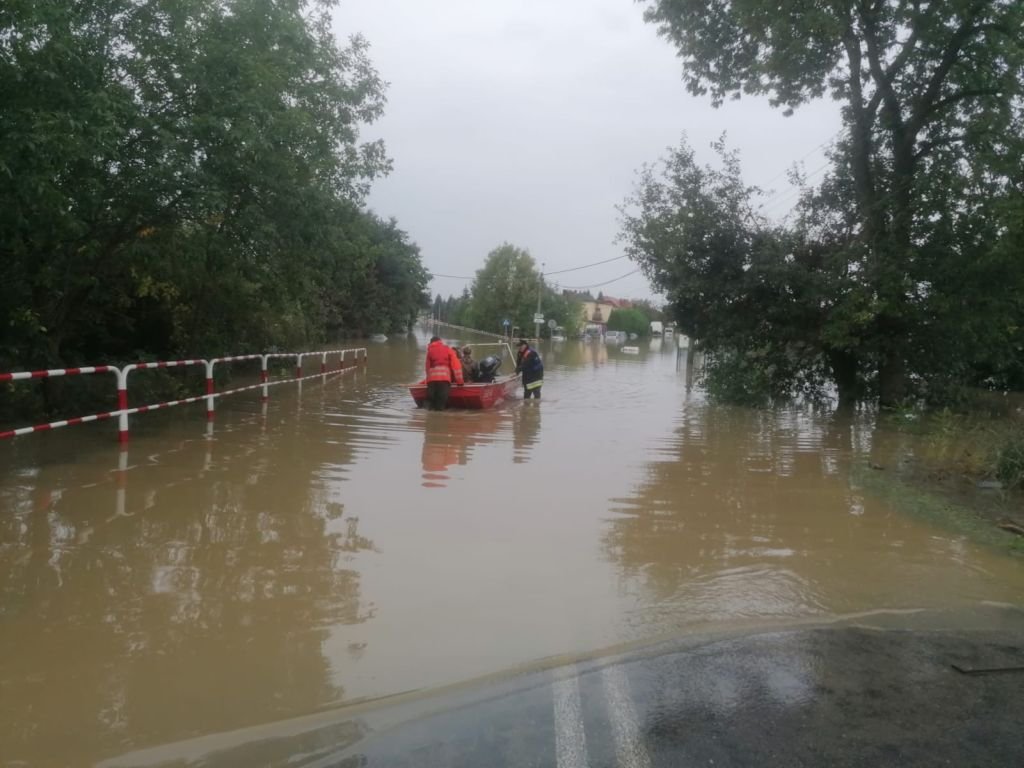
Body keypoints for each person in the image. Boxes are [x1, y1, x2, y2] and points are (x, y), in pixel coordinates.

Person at [424, 336, 463, 410]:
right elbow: (456, 366)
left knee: (430, 403)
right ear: (440, 341)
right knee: (440, 405)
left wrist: (427, 381)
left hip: (431, 381)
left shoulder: (430, 351)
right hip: (444, 380)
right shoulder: (448, 349)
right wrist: (460, 381)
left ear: (431, 343)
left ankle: (427, 416)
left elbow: (427, 368)